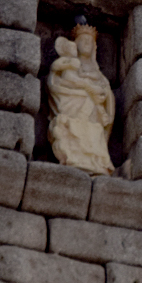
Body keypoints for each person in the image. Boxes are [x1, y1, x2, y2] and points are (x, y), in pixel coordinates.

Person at [47, 20, 115, 175]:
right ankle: (74, 157)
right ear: (74, 44)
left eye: (89, 41)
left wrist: (103, 95)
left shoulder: (98, 73)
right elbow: (56, 81)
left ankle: (95, 162)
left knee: (95, 129)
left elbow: (106, 91)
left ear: (94, 47)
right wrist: (84, 89)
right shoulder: (69, 64)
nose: (86, 43)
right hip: (72, 104)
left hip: (93, 115)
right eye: (82, 40)